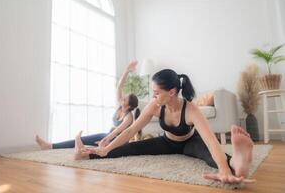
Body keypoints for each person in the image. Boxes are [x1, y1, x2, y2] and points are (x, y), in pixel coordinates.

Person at [75, 69, 255, 184]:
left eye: (156, 92)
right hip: (166, 142)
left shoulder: (191, 109)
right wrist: (107, 148)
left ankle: (236, 164)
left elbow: (210, 141)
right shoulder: (154, 106)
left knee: (212, 157)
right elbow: (131, 130)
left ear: (172, 92)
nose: (153, 97)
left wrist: (223, 171)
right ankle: (88, 156)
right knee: (129, 148)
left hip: (189, 142)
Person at [35, 61, 141, 156]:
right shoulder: (120, 107)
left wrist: (107, 138)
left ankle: (83, 150)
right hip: (108, 135)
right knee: (84, 138)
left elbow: (118, 130)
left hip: (118, 140)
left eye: (125, 99)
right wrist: (127, 71)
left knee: (97, 141)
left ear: (129, 105)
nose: (122, 98)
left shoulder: (129, 117)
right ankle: (50, 146)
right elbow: (119, 87)